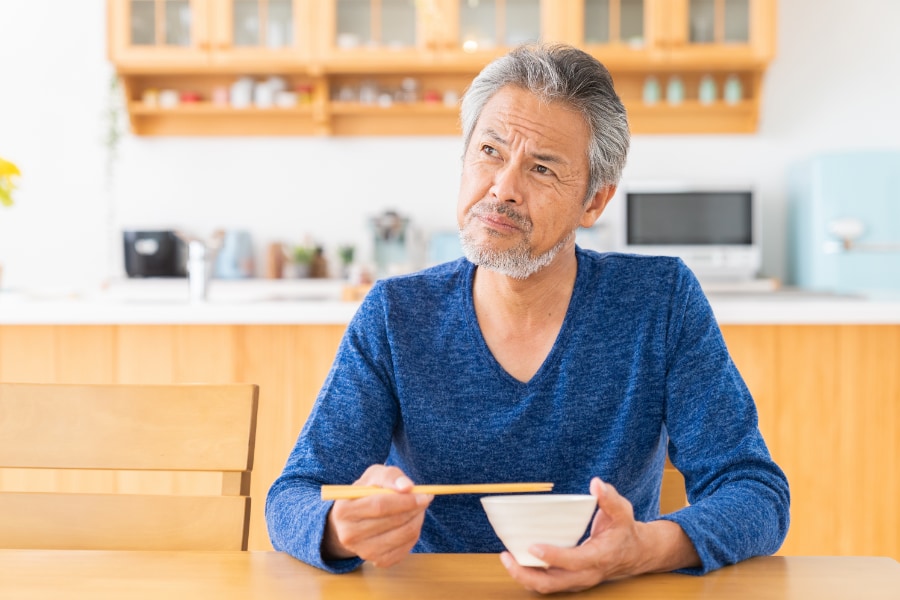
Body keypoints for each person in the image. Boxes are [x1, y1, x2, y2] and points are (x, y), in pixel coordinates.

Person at [266, 43, 790, 594]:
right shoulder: (397, 313)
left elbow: (754, 490)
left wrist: (642, 550)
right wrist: (339, 529)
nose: (503, 188)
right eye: (490, 151)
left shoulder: (659, 301)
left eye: (541, 168)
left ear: (594, 202)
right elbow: (294, 496)